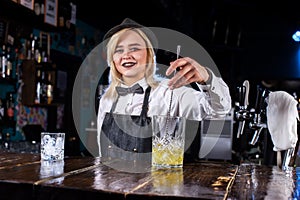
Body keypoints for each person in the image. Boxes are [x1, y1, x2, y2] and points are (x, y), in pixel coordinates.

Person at [97, 18, 232, 162]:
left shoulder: (169, 92)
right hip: (108, 183)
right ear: (112, 60)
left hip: (154, 183)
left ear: (150, 55)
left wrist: (207, 77)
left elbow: (218, 110)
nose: (126, 55)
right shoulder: (107, 99)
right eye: (118, 50)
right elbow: (101, 152)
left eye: (134, 48)